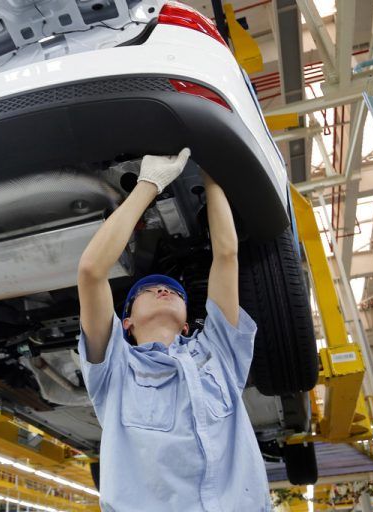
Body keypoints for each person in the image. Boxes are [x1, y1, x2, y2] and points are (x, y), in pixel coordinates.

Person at [76, 148, 271, 511]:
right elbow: (91, 272)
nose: (163, 290)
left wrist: (213, 174)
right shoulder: (114, 368)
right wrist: (149, 184)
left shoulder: (219, 354)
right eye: (147, 291)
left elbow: (226, 255)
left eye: (175, 292)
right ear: (126, 322)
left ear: (186, 324)